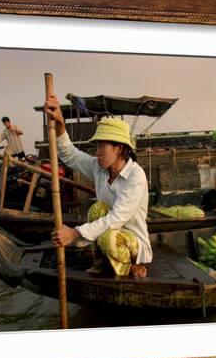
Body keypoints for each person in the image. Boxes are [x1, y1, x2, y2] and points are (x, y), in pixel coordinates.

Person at [44, 93, 151, 278]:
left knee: (109, 238)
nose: (98, 152)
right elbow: (70, 155)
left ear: (119, 148)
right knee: (97, 209)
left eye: (102, 146)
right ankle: (101, 263)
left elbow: (117, 218)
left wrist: (75, 233)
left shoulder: (136, 176)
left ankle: (131, 266)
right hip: (107, 235)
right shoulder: (99, 168)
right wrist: (60, 123)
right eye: (97, 147)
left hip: (132, 242)